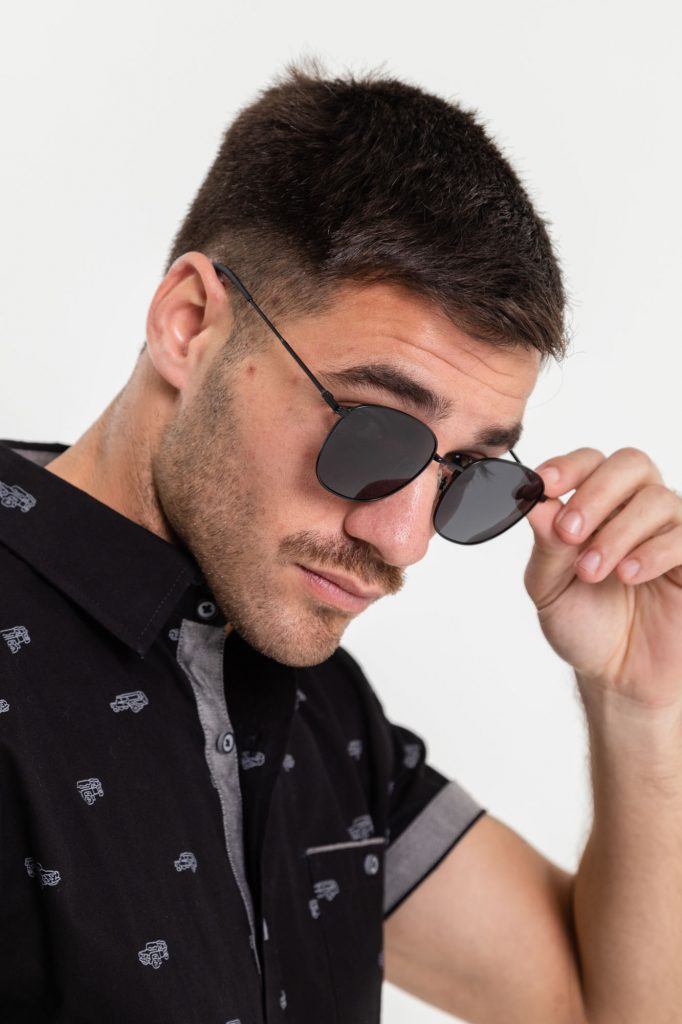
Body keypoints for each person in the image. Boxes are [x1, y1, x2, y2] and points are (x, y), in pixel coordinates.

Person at [1, 65, 680, 1024]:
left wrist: (642, 698)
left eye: (464, 474)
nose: (404, 542)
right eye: (370, 435)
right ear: (189, 326)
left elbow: (605, 1007)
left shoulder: (318, 704)